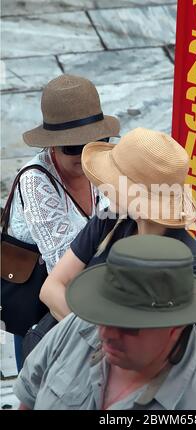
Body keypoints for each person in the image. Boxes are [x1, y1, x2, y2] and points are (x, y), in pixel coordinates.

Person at [15, 235, 196, 410]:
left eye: (128, 326)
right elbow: (29, 400)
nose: (106, 332)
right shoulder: (79, 326)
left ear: (175, 326)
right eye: (104, 314)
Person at [7, 74, 120, 371]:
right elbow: (62, 265)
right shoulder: (35, 181)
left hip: (88, 300)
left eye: (97, 142)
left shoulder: (100, 164)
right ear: (53, 146)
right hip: (40, 311)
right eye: (73, 147)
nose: (86, 155)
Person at [40, 127, 196, 322]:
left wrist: (91, 334)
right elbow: (50, 288)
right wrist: (93, 334)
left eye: (114, 181)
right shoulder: (111, 220)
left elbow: (149, 340)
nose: (104, 186)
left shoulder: (189, 265)